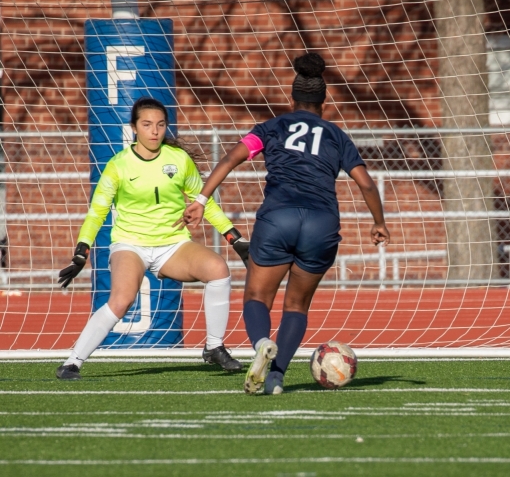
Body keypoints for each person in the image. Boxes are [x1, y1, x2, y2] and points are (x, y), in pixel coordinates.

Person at [181, 52, 389, 395]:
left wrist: (201, 200)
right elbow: (365, 183)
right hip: (322, 224)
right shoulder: (337, 136)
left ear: (292, 99)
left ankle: (263, 342)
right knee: (296, 306)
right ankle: (276, 377)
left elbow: (232, 157)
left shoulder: (272, 126)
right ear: (324, 102)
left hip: (278, 218)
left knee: (257, 296)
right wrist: (378, 222)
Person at [56, 97, 250, 380]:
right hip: (130, 244)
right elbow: (97, 213)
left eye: (160, 125)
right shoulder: (118, 165)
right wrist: (81, 251)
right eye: (147, 125)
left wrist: (234, 237)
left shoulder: (179, 160)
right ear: (134, 128)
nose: (154, 131)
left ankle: (214, 346)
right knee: (122, 299)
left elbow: (203, 202)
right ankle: (73, 362)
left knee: (218, 270)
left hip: (172, 244)